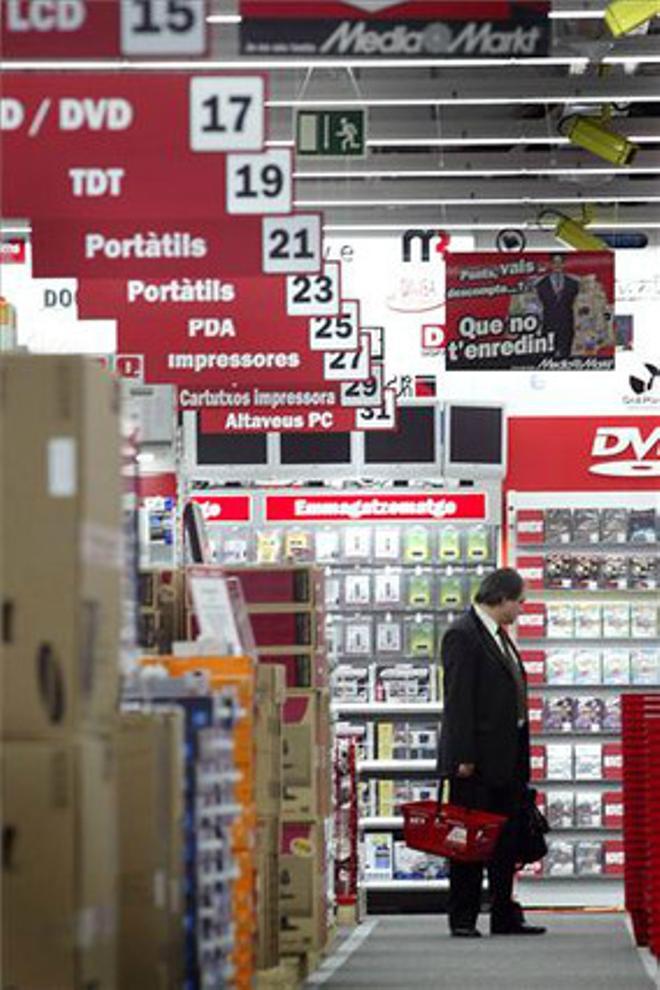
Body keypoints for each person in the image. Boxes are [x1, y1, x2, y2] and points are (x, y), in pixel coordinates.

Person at [438, 567, 546, 938]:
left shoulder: (499, 635)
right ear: (500, 599)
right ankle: (463, 918)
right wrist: (463, 756)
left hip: (508, 760)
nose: (522, 609)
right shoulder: (462, 635)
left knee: (507, 839)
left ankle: (505, 914)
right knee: (467, 840)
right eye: (520, 601)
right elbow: (458, 702)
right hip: (477, 762)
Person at [534, 254, 581, 359]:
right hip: (548, 325)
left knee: (565, 357)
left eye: (560, 262)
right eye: (555, 262)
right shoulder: (540, 283)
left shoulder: (574, 283)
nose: (557, 265)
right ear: (550, 264)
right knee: (548, 357)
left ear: (564, 264)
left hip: (566, 326)